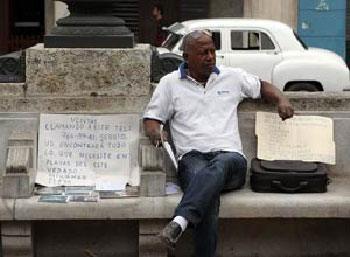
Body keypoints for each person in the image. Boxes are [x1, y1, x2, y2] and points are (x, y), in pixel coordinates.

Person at [143, 30, 294, 257]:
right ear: (186, 58)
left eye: (213, 51)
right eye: (203, 53)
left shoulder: (231, 77)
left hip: (230, 159)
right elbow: (152, 119)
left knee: (218, 167)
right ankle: (183, 227)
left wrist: (282, 99)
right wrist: (156, 133)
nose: (210, 57)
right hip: (192, 159)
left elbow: (262, 86)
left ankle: (180, 221)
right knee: (207, 194)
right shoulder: (170, 84)